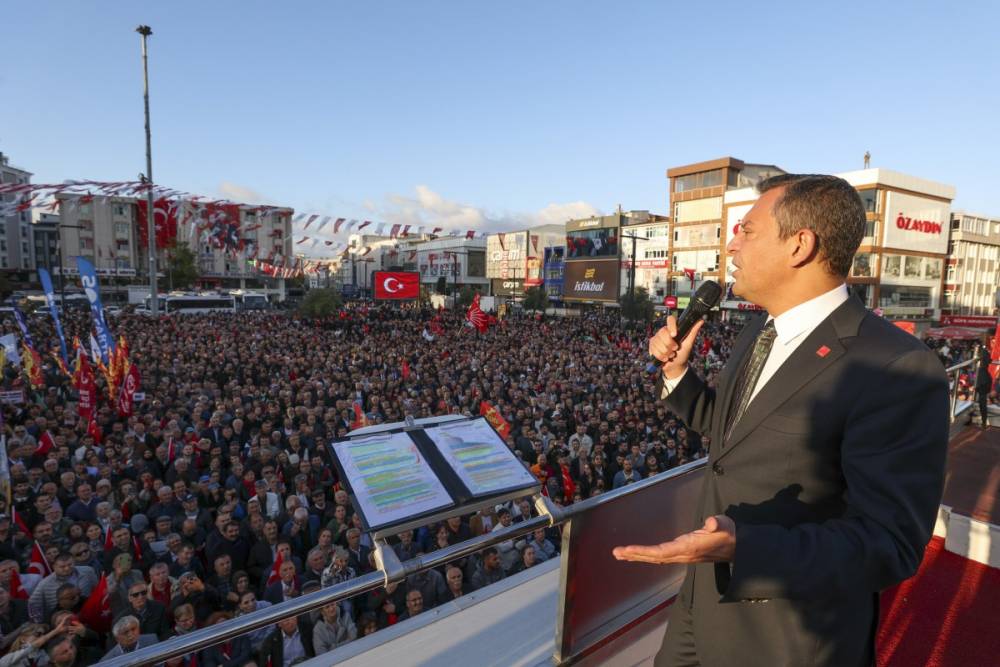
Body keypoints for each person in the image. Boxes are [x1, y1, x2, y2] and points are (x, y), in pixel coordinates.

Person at [613, 174, 949, 666]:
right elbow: (735, 435)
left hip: (785, 637)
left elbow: (889, 543)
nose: (731, 247)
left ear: (799, 245)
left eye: (746, 231)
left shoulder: (895, 366)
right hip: (700, 604)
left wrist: (743, 546)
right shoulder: (759, 330)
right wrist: (678, 374)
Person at [974, 336, 993, 429]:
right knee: (982, 401)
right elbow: (989, 361)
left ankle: (984, 422)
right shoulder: (984, 352)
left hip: (982, 380)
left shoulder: (981, 353)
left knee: (982, 402)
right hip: (984, 379)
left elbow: (980, 363)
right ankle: (983, 422)